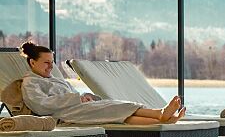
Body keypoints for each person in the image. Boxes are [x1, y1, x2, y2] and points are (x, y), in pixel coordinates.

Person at [18, 42, 187, 126]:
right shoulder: (30, 84)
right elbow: (40, 106)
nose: (51, 66)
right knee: (114, 109)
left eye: (52, 62)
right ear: (32, 63)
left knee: (115, 108)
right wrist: (76, 99)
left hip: (77, 108)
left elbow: (71, 95)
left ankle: (161, 118)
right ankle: (160, 114)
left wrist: (85, 97)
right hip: (65, 116)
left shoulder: (53, 79)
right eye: (46, 62)